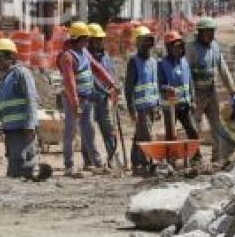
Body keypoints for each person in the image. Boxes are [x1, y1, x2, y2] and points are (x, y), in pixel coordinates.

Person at [57, 21, 117, 177]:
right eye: (85, 38)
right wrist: (75, 104)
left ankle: (97, 162)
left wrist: (111, 83)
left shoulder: (84, 52)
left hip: (87, 99)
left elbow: (96, 67)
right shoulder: (67, 57)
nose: (87, 41)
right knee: (71, 132)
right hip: (73, 101)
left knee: (89, 131)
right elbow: (70, 83)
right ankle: (69, 165)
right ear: (78, 38)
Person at [185, 17, 235, 163]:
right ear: (200, 32)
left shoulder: (215, 46)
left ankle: (217, 158)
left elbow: (222, 68)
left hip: (211, 91)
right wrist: (188, 95)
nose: (211, 35)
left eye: (212, 32)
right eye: (208, 32)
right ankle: (195, 157)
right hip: (196, 93)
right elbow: (186, 72)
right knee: (195, 126)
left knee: (216, 125)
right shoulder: (191, 49)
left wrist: (231, 88)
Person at [0, 38, 41, 179]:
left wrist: (30, 125)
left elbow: (31, 98)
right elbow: (0, 111)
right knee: (14, 171)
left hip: (23, 131)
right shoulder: (5, 80)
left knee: (25, 168)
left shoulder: (21, 73)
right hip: (11, 132)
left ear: (11, 57)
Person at [124, 26, 161, 173]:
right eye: (145, 41)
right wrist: (131, 109)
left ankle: (136, 162)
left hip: (151, 106)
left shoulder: (153, 62)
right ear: (138, 42)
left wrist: (157, 105)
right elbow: (128, 88)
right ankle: (145, 162)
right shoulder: (134, 62)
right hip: (140, 108)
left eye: (149, 42)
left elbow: (154, 84)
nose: (147, 45)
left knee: (139, 135)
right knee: (146, 136)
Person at [158, 31, 199, 146]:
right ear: (169, 48)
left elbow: (190, 82)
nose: (179, 50)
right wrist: (167, 88)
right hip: (170, 107)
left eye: (180, 47)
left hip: (184, 106)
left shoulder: (184, 62)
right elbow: (158, 84)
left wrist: (193, 100)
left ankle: (196, 157)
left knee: (193, 132)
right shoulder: (162, 64)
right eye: (175, 47)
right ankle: (171, 159)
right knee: (171, 134)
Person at [85, 22, 117, 166]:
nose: (100, 42)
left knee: (109, 130)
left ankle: (112, 158)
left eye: (100, 39)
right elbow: (90, 79)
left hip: (104, 101)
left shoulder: (106, 57)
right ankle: (89, 161)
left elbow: (111, 76)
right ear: (89, 41)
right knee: (89, 132)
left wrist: (113, 91)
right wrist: (105, 90)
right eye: (97, 39)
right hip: (89, 100)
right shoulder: (84, 58)